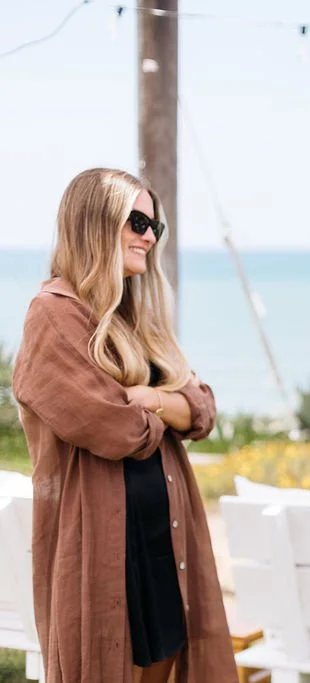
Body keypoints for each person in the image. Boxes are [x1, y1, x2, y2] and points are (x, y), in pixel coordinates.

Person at [12, 168, 237, 683]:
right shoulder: (52, 315)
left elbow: (203, 409)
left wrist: (151, 398)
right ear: (94, 222)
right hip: (105, 546)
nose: (149, 236)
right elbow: (115, 430)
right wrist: (169, 409)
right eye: (137, 222)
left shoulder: (135, 320)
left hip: (165, 540)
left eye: (155, 226)